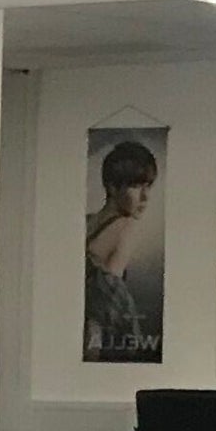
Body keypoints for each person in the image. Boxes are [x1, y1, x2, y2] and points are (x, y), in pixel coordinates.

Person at [84, 139, 160, 361]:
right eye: (136, 186)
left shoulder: (85, 222)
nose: (145, 197)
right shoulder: (127, 228)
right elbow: (103, 306)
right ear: (112, 187)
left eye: (148, 186)